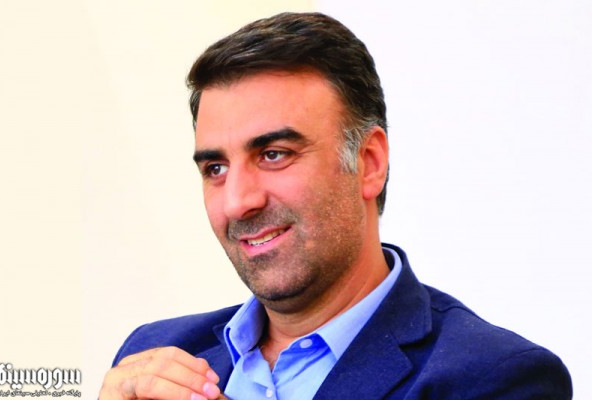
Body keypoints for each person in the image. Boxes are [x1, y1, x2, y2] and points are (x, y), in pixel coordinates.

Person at [99, 12, 572, 400]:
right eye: (215, 168)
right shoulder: (155, 356)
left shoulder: (494, 379)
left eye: (274, 154)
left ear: (369, 163)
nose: (239, 202)